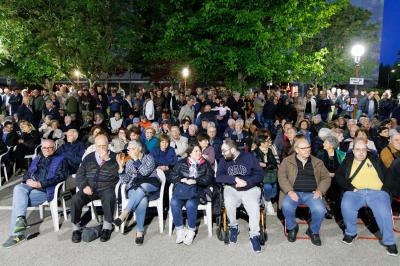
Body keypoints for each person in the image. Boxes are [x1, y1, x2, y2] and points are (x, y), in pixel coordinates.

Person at [335, 138, 398, 256]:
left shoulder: (375, 160)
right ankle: (351, 233)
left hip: (377, 192)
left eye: (364, 149)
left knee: (384, 213)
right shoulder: (347, 161)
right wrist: (350, 188)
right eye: (358, 149)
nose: (361, 152)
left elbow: (389, 174)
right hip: (355, 192)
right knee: (346, 206)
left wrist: (385, 190)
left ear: (367, 150)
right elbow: (338, 176)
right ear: (353, 151)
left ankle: (389, 242)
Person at [2, 139, 68, 248]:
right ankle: (21, 221)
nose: (47, 150)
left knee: (18, 201)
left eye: (50, 147)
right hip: (29, 187)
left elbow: (61, 176)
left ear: (54, 148)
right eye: (44, 148)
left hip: (44, 190)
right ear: (41, 148)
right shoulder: (37, 158)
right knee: (18, 188)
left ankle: (17, 234)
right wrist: (27, 180)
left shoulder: (61, 159)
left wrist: (40, 184)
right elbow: (27, 174)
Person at [278, 137, 331, 246]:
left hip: (311, 193)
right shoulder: (287, 161)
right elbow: (282, 177)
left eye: (308, 147)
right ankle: (292, 228)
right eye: (304, 148)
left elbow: (326, 177)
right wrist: (289, 191)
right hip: (293, 192)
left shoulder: (317, 162)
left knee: (320, 210)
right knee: (286, 205)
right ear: (296, 150)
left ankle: (313, 230)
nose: (307, 150)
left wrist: (320, 190)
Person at [216, 139, 264, 253]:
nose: (222, 153)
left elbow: (260, 174)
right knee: (228, 201)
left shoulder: (249, 157)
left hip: (250, 188)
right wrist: (234, 179)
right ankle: (233, 226)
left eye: (224, 151)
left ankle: (254, 235)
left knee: (253, 206)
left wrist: (247, 182)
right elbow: (218, 177)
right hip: (232, 188)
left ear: (233, 150)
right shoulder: (223, 160)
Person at [70, 135, 119, 243]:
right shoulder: (89, 157)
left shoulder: (116, 157)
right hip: (89, 188)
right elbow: (80, 174)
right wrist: (84, 186)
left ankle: (107, 227)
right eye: (98, 146)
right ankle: (76, 228)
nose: (101, 148)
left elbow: (118, 174)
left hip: (106, 187)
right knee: (75, 199)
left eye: (103, 146)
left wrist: (108, 160)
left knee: (109, 196)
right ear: (95, 146)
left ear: (108, 145)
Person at [113, 140, 160, 245]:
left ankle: (124, 213)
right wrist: (121, 169)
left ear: (139, 148)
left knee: (143, 186)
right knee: (142, 200)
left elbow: (144, 173)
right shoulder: (129, 162)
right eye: (129, 149)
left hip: (150, 186)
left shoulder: (149, 158)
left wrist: (135, 159)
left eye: (133, 148)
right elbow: (125, 181)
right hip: (134, 188)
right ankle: (140, 231)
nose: (130, 151)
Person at [170, 144, 214, 245]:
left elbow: (209, 178)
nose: (199, 153)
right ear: (190, 153)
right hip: (183, 189)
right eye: (196, 151)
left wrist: (196, 181)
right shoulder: (181, 163)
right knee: (174, 202)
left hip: (197, 190)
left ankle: (191, 230)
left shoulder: (205, 163)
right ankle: (180, 230)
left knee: (190, 204)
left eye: (199, 151)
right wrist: (182, 179)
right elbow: (172, 175)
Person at [253, 135, 278, 215]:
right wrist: (267, 165)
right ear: (262, 143)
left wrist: (265, 165)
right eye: (267, 141)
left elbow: (274, 163)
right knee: (267, 187)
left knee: (275, 188)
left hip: (271, 174)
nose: (269, 142)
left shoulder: (270, 150)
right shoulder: (255, 152)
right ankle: (267, 201)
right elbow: (255, 165)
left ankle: (266, 197)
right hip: (260, 174)